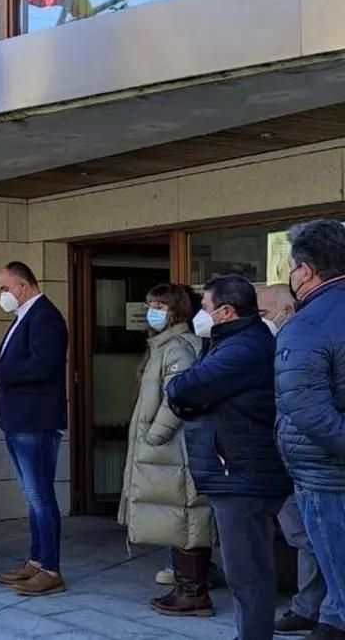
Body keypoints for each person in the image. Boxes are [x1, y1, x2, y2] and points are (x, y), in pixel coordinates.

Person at [166, 274, 292, 640]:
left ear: (224, 312)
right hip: (236, 469)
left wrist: (187, 395)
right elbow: (191, 395)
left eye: (204, 308)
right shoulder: (227, 342)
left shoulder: (244, 348)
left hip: (243, 472)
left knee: (247, 572)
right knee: (247, 568)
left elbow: (183, 387)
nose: (198, 315)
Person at [0, 261, 68, 597]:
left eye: (4, 288)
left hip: (34, 420)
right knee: (32, 497)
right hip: (18, 419)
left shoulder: (45, 317)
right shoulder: (24, 317)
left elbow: (41, 365)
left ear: (22, 286)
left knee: (41, 497)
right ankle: (37, 561)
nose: (2, 295)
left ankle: (51, 568)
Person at [115, 285, 213, 617]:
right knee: (176, 518)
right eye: (149, 304)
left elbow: (178, 397)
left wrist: (155, 435)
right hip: (167, 451)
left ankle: (193, 592)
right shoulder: (162, 346)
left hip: (175, 449)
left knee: (185, 516)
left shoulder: (178, 348)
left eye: (159, 305)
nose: (152, 310)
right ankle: (186, 587)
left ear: (178, 310)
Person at [276, 219, 345, 639]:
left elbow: (306, 409)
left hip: (326, 472)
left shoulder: (306, 324)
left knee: (337, 568)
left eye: (291, 266)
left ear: (306, 270)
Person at [261, 284, 337, 635]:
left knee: (317, 539)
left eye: (264, 314)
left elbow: (312, 412)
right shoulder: (269, 343)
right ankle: (312, 608)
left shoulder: (308, 336)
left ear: (288, 311)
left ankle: (322, 612)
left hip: (314, 463)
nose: (260, 321)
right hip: (288, 458)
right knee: (304, 538)